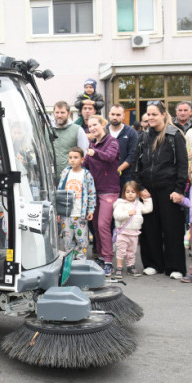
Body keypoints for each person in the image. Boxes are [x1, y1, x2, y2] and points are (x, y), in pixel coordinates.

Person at [133, 101, 188, 277]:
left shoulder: (175, 135)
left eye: (154, 114)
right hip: (147, 190)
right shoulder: (142, 136)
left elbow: (182, 164)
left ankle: (175, 267)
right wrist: (140, 188)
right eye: (148, 114)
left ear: (163, 115)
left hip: (169, 189)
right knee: (150, 229)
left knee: (172, 229)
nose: (150, 117)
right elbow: (136, 164)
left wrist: (179, 189)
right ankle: (153, 263)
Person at [84, 114, 120, 274]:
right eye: (89, 126)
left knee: (102, 225)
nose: (92, 128)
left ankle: (107, 259)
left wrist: (94, 153)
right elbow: (86, 163)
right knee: (95, 225)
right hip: (94, 190)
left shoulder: (112, 142)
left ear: (102, 124)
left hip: (109, 190)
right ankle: (100, 254)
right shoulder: (93, 144)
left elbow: (110, 157)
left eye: (94, 125)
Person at [57, 147, 96, 259]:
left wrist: (91, 210)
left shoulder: (86, 174)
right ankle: (69, 261)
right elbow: (60, 192)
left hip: (80, 213)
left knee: (82, 239)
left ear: (82, 159)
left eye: (75, 157)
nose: (72, 160)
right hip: (66, 213)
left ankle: (81, 259)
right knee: (67, 239)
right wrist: (58, 211)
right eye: (70, 158)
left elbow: (91, 193)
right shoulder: (65, 172)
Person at [111, 180, 152, 280]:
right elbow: (116, 216)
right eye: (128, 191)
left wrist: (148, 199)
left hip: (134, 233)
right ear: (124, 193)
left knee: (132, 251)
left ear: (137, 193)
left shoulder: (138, 204)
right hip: (123, 232)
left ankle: (130, 266)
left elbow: (148, 209)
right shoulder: (120, 204)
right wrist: (127, 214)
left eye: (133, 192)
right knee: (121, 251)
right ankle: (119, 267)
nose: (130, 194)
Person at [51, 100, 89, 179]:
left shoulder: (78, 130)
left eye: (62, 112)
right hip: (51, 178)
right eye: (57, 112)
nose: (59, 115)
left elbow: (84, 154)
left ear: (69, 113)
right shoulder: (47, 130)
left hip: (71, 177)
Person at [107, 104, 138, 187]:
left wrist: (119, 169)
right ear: (109, 114)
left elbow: (133, 155)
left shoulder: (131, 133)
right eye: (113, 114)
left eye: (118, 115)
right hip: (105, 176)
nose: (115, 117)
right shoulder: (103, 131)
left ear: (123, 116)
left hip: (125, 177)